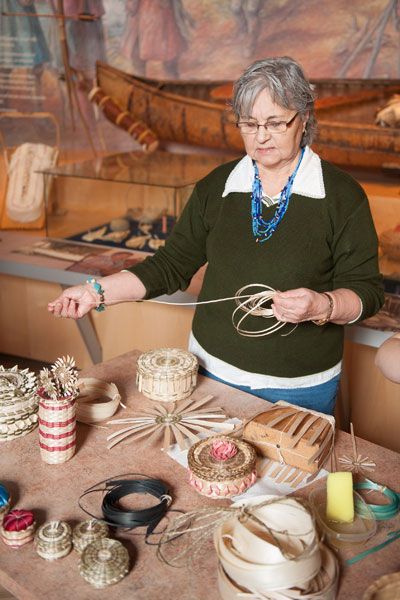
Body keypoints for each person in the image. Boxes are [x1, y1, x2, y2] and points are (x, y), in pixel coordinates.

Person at [48, 57, 384, 415]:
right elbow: (170, 266)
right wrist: (94, 292)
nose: (260, 136)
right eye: (249, 123)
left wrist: (323, 305)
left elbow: (367, 292)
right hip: (212, 375)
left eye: (274, 122)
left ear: (303, 120)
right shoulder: (217, 187)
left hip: (300, 389)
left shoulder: (342, 196)